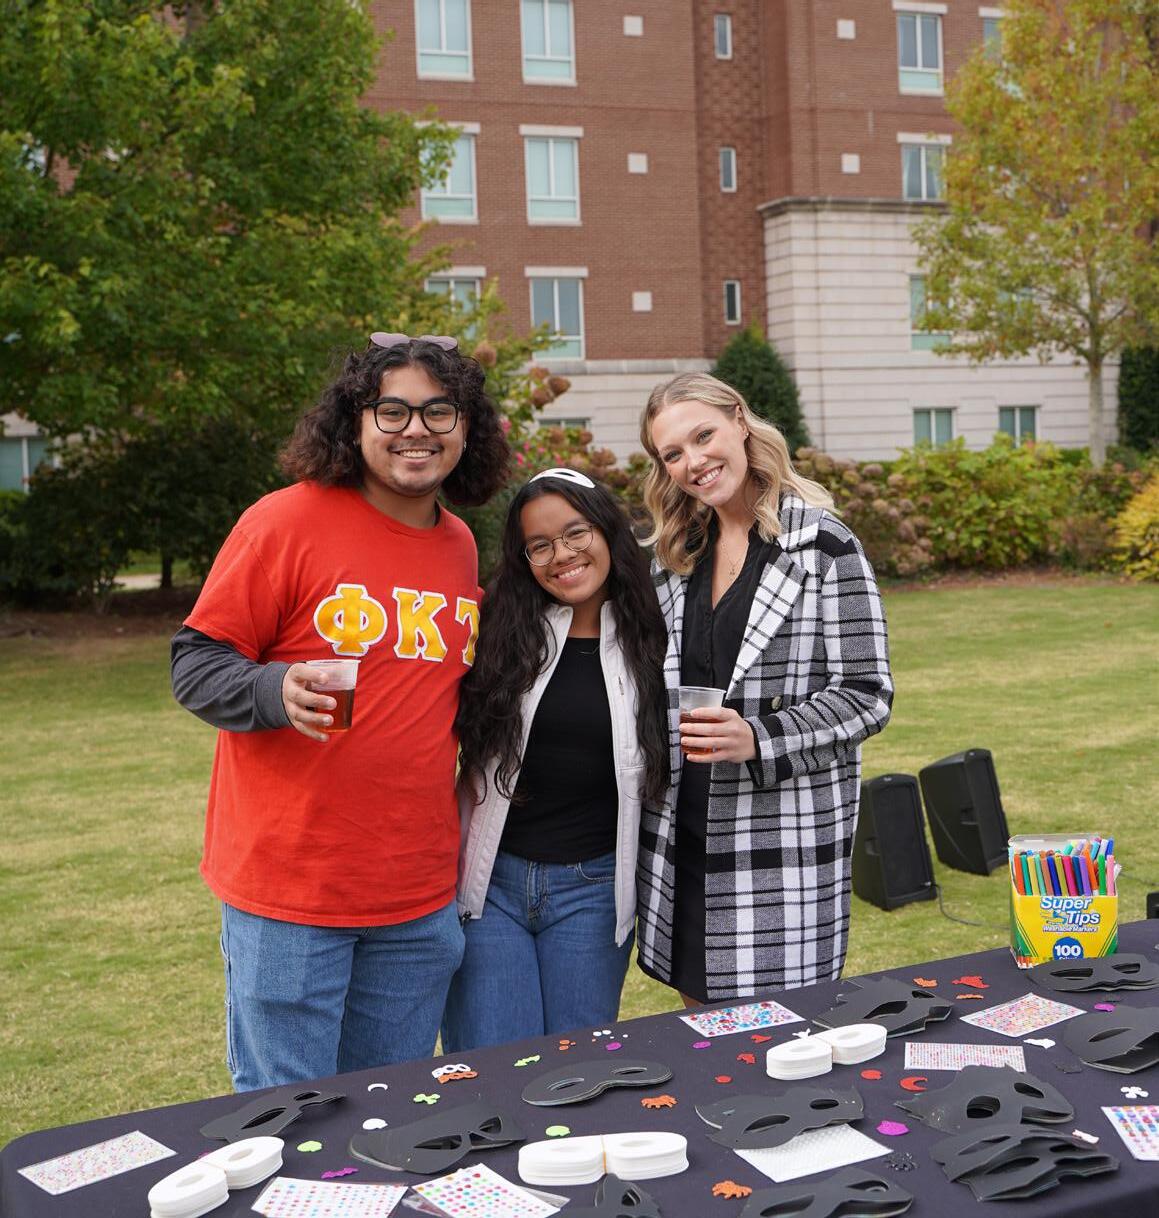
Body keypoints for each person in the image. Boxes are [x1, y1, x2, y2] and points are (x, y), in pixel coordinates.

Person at [171, 333, 509, 1090]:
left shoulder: (458, 544)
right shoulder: (283, 521)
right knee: (287, 1120)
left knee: (389, 1117)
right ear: (354, 423)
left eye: (439, 411)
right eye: (392, 411)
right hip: (291, 892)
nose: (416, 429)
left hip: (417, 898)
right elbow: (195, 662)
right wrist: (274, 691)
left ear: (466, 429)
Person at [635, 372, 892, 1005]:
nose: (693, 462)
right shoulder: (674, 557)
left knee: (781, 1034)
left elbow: (867, 693)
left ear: (739, 421)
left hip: (779, 839)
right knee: (703, 1029)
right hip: (680, 832)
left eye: (703, 436)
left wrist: (760, 736)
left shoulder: (823, 545)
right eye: (672, 454)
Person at [441, 468, 668, 1051]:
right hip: (492, 886)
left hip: (593, 889)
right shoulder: (499, 629)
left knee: (576, 1067)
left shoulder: (655, 634)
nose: (561, 555)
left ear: (606, 530)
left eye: (575, 532)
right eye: (539, 545)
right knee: (494, 1067)